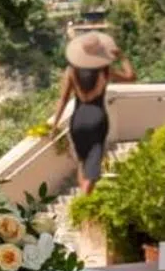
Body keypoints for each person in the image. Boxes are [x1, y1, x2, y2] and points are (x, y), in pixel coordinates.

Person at [53, 31, 135, 194]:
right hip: (97, 119)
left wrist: (54, 124)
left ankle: (83, 203)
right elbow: (131, 77)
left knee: (82, 163)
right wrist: (123, 57)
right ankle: (84, 201)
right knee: (93, 169)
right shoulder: (104, 71)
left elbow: (63, 99)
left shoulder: (71, 71)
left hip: (77, 120)